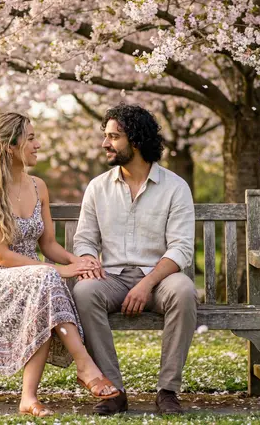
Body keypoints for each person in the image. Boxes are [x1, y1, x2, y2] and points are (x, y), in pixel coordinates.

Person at [0, 112, 119, 418]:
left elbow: (48, 245)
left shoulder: (38, 186)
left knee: (42, 287)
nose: (38, 145)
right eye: (31, 139)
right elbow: (2, 257)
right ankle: (84, 366)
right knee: (45, 279)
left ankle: (28, 398)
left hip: (34, 278)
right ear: (9, 146)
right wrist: (59, 270)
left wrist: (77, 261)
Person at [73, 103, 198, 415]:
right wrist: (89, 260)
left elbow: (181, 249)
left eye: (114, 137)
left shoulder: (175, 187)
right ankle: (113, 391)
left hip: (160, 280)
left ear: (136, 141)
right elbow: (85, 239)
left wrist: (147, 284)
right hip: (112, 279)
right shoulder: (97, 187)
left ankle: (168, 391)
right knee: (84, 292)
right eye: (106, 136)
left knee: (184, 291)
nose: (105, 143)